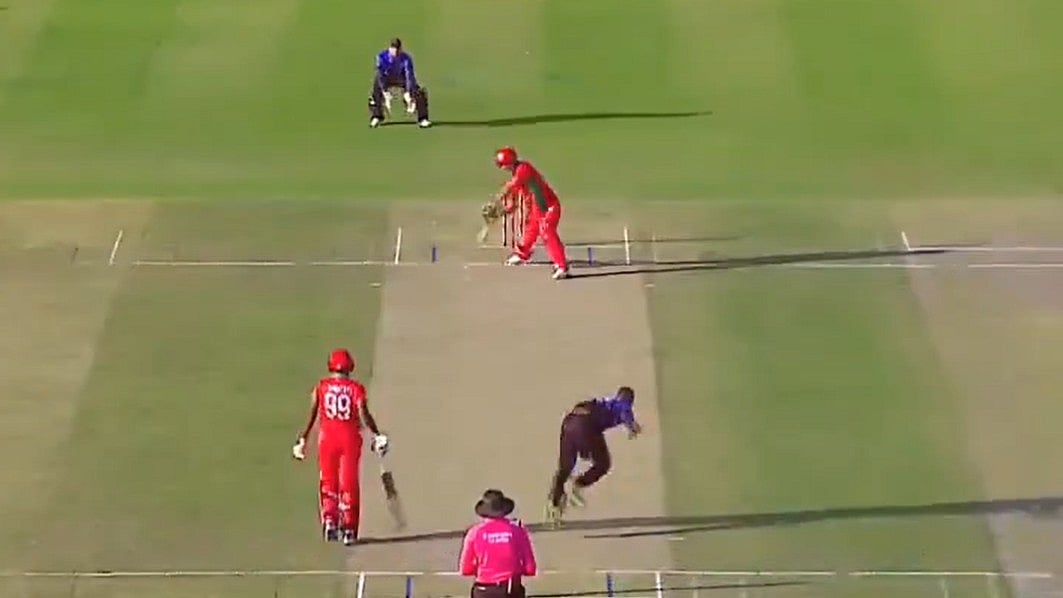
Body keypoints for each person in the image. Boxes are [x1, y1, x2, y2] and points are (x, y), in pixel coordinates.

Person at [292, 349, 390, 546]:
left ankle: (330, 521)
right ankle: (349, 528)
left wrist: (303, 438)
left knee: (328, 480)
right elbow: (363, 413)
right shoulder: (356, 389)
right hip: (349, 439)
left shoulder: (321, 387)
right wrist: (376, 434)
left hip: (326, 438)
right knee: (349, 483)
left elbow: (313, 413)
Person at [545, 387, 641, 526]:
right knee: (603, 464)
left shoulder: (604, 403)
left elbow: (580, 407)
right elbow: (624, 410)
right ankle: (578, 485)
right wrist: (632, 427)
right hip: (586, 426)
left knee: (565, 467)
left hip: (569, 422)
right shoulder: (621, 405)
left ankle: (554, 505)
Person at [493, 147, 570, 280]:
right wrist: (510, 207)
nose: (501, 168)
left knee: (546, 231)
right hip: (537, 206)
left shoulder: (523, 168)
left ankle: (562, 266)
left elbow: (511, 186)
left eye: (502, 165)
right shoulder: (517, 172)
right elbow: (517, 191)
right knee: (531, 228)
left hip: (547, 205)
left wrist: (497, 198)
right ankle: (522, 254)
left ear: (509, 162)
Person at [460, 489, 538, 597]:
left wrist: (485, 569)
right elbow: (530, 569)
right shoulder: (517, 531)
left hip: (483, 590)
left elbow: (465, 569)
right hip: (509, 589)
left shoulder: (474, 533)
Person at [368, 38, 431, 128]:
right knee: (376, 89)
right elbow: (380, 75)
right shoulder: (381, 57)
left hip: (401, 79)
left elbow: (409, 75)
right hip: (387, 79)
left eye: (398, 49)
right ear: (390, 48)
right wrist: (385, 92)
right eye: (394, 49)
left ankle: (422, 118)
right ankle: (377, 116)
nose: (396, 52)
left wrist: (408, 93)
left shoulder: (406, 58)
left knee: (419, 92)